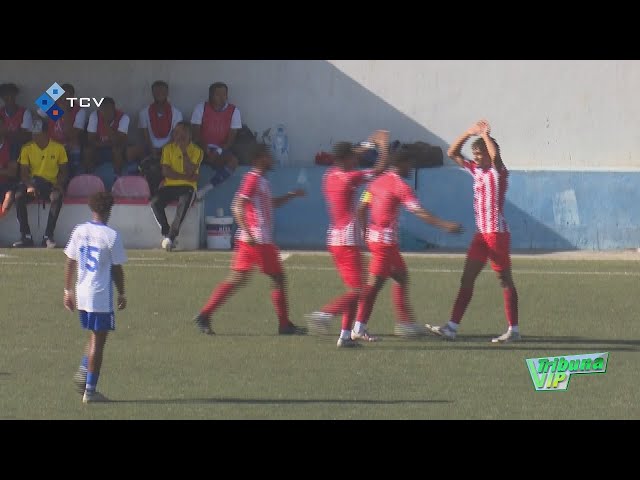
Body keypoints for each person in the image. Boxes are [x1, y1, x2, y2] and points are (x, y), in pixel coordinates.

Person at [192, 143, 306, 336]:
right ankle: (284, 325)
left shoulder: (261, 181)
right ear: (259, 159)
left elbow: (270, 204)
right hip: (258, 239)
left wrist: (291, 195)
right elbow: (237, 205)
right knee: (278, 278)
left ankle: (205, 314)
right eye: (268, 156)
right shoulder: (253, 179)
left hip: (251, 239)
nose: (272, 159)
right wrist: (249, 231)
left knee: (237, 279)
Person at [425, 119, 520, 343]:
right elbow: (452, 152)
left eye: (480, 153)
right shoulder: (475, 170)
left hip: (496, 233)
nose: (476, 157)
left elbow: (495, 157)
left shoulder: (499, 172)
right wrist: (469, 133)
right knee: (466, 279)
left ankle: (513, 329)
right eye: (475, 154)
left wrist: (485, 135)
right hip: (481, 234)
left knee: (504, 280)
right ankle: (451, 327)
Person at [355, 146, 463, 338]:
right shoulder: (401, 187)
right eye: (409, 165)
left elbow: (362, 208)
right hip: (384, 245)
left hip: (378, 240)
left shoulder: (376, 181)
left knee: (401, 276)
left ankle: (405, 323)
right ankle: (357, 328)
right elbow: (419, 212)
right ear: (400, 164)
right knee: (373, 286)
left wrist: (364, 232)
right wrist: (445, 225)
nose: (411, 169)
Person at [305, 131, 389, 348]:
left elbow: (349, 156)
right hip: (347, 241)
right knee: (360, 291)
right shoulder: (350, 177)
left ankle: (345, 336)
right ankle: (325, 314)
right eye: (352, 157)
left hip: (335, 240)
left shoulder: (330, 175)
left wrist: (369, 143)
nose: (357, 160)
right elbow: (380, 170)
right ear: (344, 160)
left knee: (354, 290)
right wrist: (383, 146)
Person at [64, 191, 127, 403]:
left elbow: (70, 260)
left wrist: (67, 291)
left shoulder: (79, 230)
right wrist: (123, 293)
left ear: (92, 208)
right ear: (109, 210)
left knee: (94, 335)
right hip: (99, 295)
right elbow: (117, 270)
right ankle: (90, 391)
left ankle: (84, 371)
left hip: (81, 293)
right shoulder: (111, 235)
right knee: (99, 342)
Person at [12, 119, 68, 248]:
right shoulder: (27, 148)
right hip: (33, 183)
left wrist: (59, 184)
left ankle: (48, 236)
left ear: (46, 133)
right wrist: (30, 186)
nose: (35, 136)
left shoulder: (58, 148)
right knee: (19, 196)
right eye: (33, 133)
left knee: (57, 197)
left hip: (50, 184)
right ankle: (26, 236)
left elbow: (64, 171)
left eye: (38, 133)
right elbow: (24, 174)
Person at [150, 121, 203, 251]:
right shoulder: (168, 149)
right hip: (170, 185)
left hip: (188, 187)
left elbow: (191, 170)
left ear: (189, 135)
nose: (179, 136)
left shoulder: (197, 151)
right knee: (155, 202)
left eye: (182, 133)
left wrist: (184, 153)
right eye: (176, 133)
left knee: (183, 205)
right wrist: (185, 176)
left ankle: (171, 237)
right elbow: (166, 171)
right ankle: (166, 233)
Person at [130, 80, 183, 196]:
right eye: (157, 91)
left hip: (169, 148)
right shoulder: (144, 112)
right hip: (151, 148)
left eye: (163, 91)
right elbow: (145, 135)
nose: (160, 93)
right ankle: (137, 177)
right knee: (133, 152)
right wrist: (152, 148)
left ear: (167, 92)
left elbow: (176, 136)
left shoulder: (176, 113)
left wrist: (165, 149)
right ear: (152, 93)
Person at [190, 82, 240, 200]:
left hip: (220, 150)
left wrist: (217, 151)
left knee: (233, 162)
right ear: (210, 95)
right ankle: (185, 191)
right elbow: (195, 133)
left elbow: (231, 139)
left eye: (224, 94)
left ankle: (205, 190)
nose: (222, 97)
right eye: (218, 94)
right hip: (200, 148)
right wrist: (205, 149)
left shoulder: (234, 111)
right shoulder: (200, 108)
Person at [37, 83, 87, 179]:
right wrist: (46, 123)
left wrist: (65, 115)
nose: (63, 100)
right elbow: (37, 116)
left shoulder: (80, 111)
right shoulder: (50, 103)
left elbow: (72, 135)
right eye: (61, 96)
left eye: (67, 97)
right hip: (51, 143)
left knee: (73, 146)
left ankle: (72, 179)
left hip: (69, 144)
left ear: (72, 97)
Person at [84, 97, 130, 175]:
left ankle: (117, 177)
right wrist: (104, 145)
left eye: (108, 109)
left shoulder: (124, 117)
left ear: (114, 109)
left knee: (117, 151)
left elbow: (117, 141)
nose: (106, 112)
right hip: (99, 147)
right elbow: (90, 139)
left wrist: (105, 123)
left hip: (115, 148)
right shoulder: (94, 115)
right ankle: (89, 177)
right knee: (87, 151)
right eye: (103, 109)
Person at [0, 83, 33, 161]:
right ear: (1, 97)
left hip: (18, 148)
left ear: (15, 95)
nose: (9, 97)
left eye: (11, 95)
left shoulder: (25, 112)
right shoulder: (0, 112)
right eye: (5, 95)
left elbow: (25, 137)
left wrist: (5, 133)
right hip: (2, 146)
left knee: (16, 145)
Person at [0, 119, 18, 219]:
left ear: (4, 128)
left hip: (7, 184)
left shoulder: (12, 147)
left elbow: (12, 173)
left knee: (8, 197)